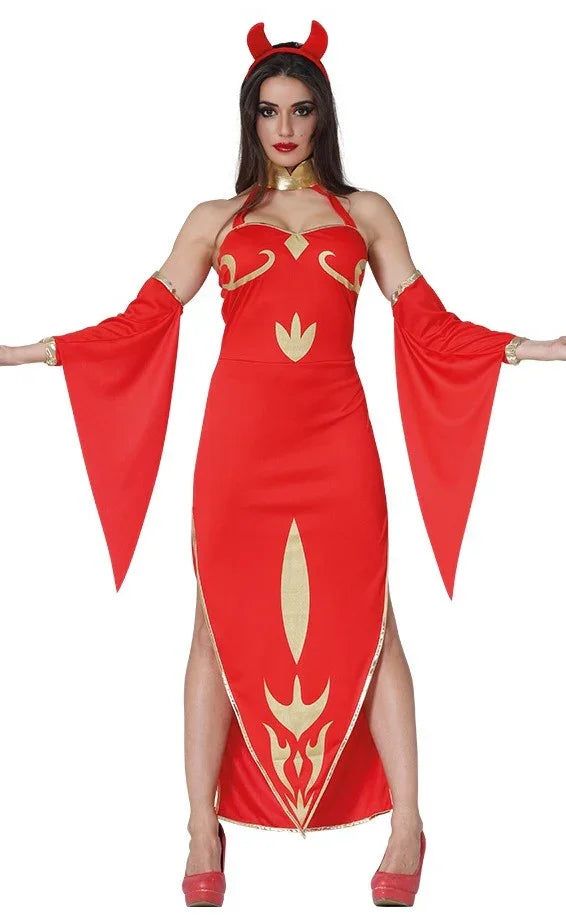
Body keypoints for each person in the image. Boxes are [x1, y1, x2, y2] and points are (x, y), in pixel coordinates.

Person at [2, 18, 564, 909]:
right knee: (213, 624)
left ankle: (408, 823)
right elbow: (142, 321)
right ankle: (201, 825)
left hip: (336, 443)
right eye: (269, 111)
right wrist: (34, 352)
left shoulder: (364, 214)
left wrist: (526, 348)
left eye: (301, 109)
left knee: (374, 621)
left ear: (323, 115)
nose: (286, 127)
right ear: (249, 119)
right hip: (240, 448)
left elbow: (425, 321)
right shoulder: (215, 221)